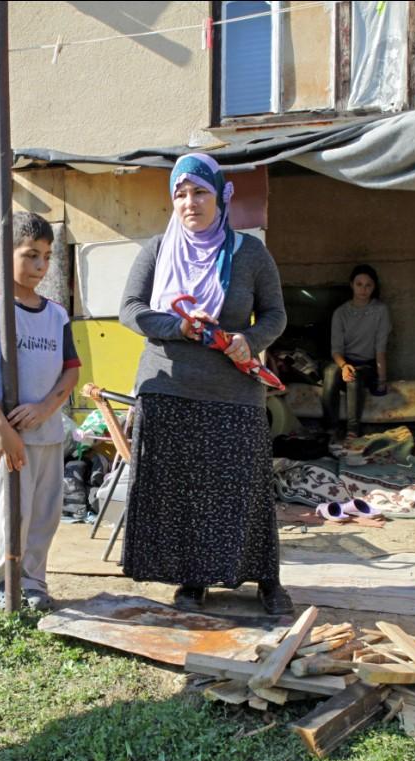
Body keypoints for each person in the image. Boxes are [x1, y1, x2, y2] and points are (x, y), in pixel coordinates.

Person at [119, 152, 292, 615]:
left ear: (220, 197)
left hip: (234, 389)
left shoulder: (249, 252)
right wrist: (179, 327)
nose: (189, 202)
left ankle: (267, 580)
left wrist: (249, 339)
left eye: (200, 192)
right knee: (183, 490)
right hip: (169, 386)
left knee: (246, 488)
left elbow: (276, 313)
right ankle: (191, 581)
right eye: (180, 194)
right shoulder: (157, 250)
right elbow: (131, 310)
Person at [0, 212, 80, 612]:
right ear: (6, 254)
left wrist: (48, 407)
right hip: (7, 438)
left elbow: (71, 369)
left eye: (46, 256)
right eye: (30, 255)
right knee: (12, 511)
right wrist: (2, 429)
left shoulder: (57, 314)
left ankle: (33, 582)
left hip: (47, 433)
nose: (40, 266)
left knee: (45, 514)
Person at [322, 264, 391, 439]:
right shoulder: (341, 313)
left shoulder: (380, 311)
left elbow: (380, 349)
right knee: (330, 372)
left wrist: (382, 380)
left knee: (355, 377)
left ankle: (352, 430)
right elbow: (336, 350)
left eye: (368, 285)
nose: (363, 289)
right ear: (351, 285)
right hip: (343, 361)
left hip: (367, 365)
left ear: (374, 287)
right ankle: (331, 429)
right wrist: (344, 366)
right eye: (359, 284)